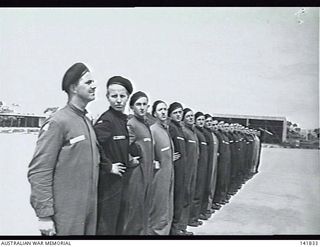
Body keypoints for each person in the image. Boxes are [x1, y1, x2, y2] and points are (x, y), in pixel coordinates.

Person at [28, 62, 100, 235]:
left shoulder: (86, 122)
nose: (94, 86)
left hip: (89, 212)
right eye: (88, 83)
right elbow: (39, 171)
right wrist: (44, 216)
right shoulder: (58, 122)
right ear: (74, 88)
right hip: (66, 215)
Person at [93, 76, 133, 235]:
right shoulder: (107, 120)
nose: (118, 100)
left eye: (122, 96)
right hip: (109, 184)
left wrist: (130, 157)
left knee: (119, 221)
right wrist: (108, 166)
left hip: (121, 180)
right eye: (114, 96)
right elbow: (94, 145)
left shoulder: (122, 120)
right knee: (107, 224)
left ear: (128, 97)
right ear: (107, 97)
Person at [119, 91, 154, 235]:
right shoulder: (131, 124)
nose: (142, 107)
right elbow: (123, 147)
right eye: (138, 104)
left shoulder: (145, 124)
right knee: (134, 213)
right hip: (136, 176)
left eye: (144, 104)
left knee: (144, 210)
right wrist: (130, 160)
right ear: (132, 107)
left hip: (147, 174)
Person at [148, 100, 174, 235]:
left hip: (168, 175)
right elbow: (148, 154)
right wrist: (153, 162)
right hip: (159, 178)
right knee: (158, 209)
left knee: (167, 208)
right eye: (160, 110)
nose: (163, 112)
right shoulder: (153, 130)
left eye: (165, 109)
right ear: (154, 113)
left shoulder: (165, 129)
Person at [167, 102, 192, 235]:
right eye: (175, 112)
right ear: (170, 114)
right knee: (176, 199)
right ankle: (173, 230)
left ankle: (178, 227)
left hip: (182, 169)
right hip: (175, 169)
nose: (178, 115)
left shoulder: (180, 129)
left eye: (180, 112)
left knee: (181, 198)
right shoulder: (171, 128)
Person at [181, 108, 200, 228]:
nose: (191, 118)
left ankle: (185, 223)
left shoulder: (192, 132)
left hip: (193, 168)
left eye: (192, 116)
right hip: (186, 169)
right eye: (188, 116)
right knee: (184, 195)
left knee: (190, 195)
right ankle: (181, 225)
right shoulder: (184, 131)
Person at [189, 112, 208, 227]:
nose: (201, 122)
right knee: (195, 192)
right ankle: (192, 218)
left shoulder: (201, 133)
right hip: (196, 166)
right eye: (199, 119)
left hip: (201, 165)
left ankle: (196, 216)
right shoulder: (195, 132)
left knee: (200, 190)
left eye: (203, 120)